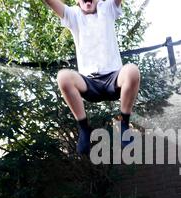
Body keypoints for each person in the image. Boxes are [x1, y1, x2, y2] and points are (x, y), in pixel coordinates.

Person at [43, 0, 140, 155]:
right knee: (63, 77)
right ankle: (84, 128)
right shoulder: (73, 14)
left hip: (114, 79)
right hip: (89, 83)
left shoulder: (108, 8)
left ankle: (124, 124)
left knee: (132, 71)